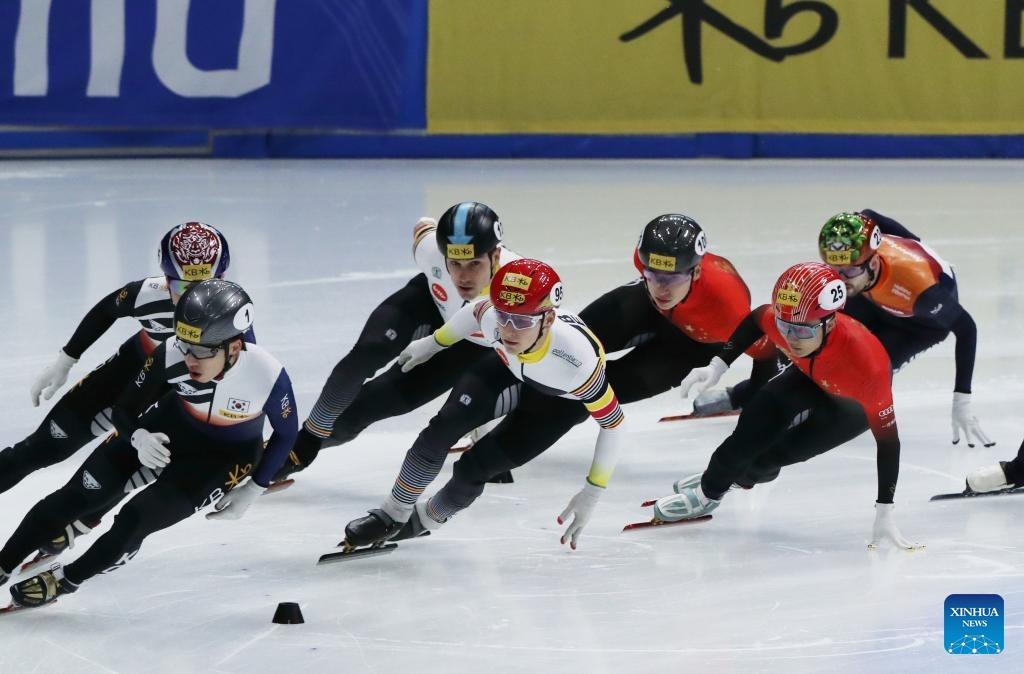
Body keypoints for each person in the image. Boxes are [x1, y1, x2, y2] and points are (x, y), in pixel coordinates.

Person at [382, 214, 781, 544]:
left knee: (589, 392)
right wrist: (435, 344)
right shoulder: (654, 281)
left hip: (689, 346)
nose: (660, 286)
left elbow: (765, 349)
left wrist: (753, 395)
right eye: (650, 273)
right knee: (565, 346)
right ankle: (504, 408)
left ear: (695, 271)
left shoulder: (726, 304)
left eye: (672, 277)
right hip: (641, 313)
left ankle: (515, 434)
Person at [0, 280, 296, 608]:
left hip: (220, 460)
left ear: (235, 348)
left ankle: (68, 580)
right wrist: (137, 435)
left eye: (200, 351)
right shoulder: (170, 353)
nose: (189, 359)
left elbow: (286, 433)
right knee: (77, 495)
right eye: (184, 345)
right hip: (168, 428)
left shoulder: (266, 374)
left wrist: (254, 487)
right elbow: (125, 409)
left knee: (134, 519)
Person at [341, 258, 627, 552]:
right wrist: (433, 343)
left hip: (557, 402)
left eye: (522, 321)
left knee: (473, 470)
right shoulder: (497, 318)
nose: (510, 330)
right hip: (509, 368)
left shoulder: (576, 364)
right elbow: (476, 312)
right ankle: (393, 513)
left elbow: (614, 424)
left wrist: (593, 491)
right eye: (504, 317)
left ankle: (426, 520)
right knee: (439, 431)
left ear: (549, 320)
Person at [652, 262, 922, 550]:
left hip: (849, 407)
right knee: (754, 421)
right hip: (809, 375)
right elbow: (756, 319)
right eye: (785, 327)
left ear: (829, 322)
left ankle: (740, 477)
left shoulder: (870, 369)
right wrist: (717, 365)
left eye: (802, 332)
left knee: (771, 457)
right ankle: (709, 491)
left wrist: (884, 510)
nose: (791, 339)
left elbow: (889, 444)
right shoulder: (788, 319)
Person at [693, 209, 991, 446]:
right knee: (807, 329)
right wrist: (917, 244)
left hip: (917, 324)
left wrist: (961, 399)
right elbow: (869, 215)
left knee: (856, 367)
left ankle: (810, 409)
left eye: (847, 271)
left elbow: (967, 329)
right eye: (833, 268)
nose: (838, 278)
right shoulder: (856, 258)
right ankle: (748, 393)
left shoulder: (924, 292)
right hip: (871, 296)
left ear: (873, 263)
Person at [273, 202, 520, 482]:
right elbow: (424, 227)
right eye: (455, 263)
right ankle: (297, 444)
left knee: (368, 407)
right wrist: (311, 435)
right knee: (367, 352)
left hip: (470, 346)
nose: (463, 276)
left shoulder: (519, 290)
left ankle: (293, 453)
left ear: (496, 255)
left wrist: (483, 421)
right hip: (428, 306)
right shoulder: (430, 249)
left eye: (475, 264)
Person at [0, 221, 232, 496]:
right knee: (41, 449)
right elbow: (104, 312)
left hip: (173, 396)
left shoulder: (233, 313)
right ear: (166, 281)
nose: (196, 297)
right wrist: (65, 361)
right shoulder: (147, 294)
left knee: (108, 483)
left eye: (206, 285)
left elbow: (246, 376)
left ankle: (69, 529)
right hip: (126, 375)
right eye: (184, 288)